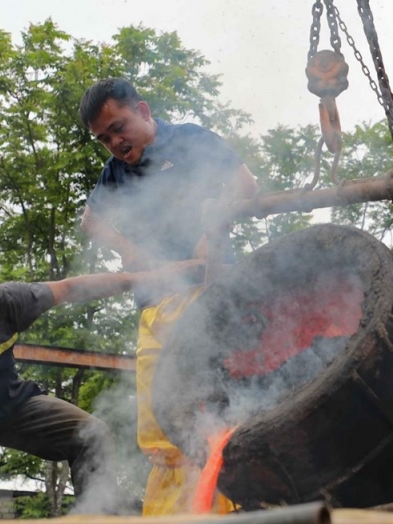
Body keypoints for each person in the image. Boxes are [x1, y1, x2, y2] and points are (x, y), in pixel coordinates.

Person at [0, 246, 200, 521]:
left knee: (92, 434)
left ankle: (99, 517)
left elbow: (70, 288)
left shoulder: (2, 303)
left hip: (13, 406)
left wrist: (154, 276)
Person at [78, 77, 258, 515]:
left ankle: (228, 509)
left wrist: (213, 230)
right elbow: (89, 221)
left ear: (142, 110)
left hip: (207, 295)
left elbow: (245, 185)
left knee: (210, 413)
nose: (115, 142)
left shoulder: (190, 139)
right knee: (158, 424)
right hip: (154, 305)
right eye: (104, 139)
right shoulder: (115, 172)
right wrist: (130, 250)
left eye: (119, 127)